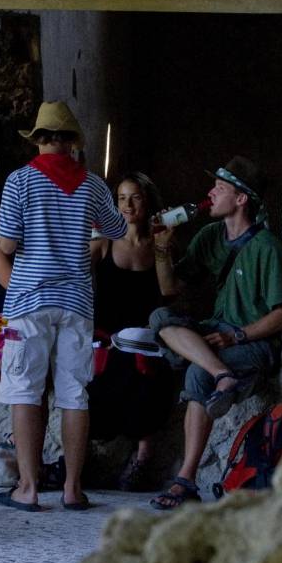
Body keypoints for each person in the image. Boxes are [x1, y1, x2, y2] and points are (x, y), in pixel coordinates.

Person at [0, 101, 127, 512]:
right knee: (74, 394)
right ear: (71, 144)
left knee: (25, 392)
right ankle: (72, 488)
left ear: (39, 141)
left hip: (29, 301)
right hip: (76, 303)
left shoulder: (20, 182)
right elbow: (117, 229)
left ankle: (29, 489)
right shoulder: (91, 185)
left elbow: (6, 245)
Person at [147, 157, 282, 511]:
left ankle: (184, 480)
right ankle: (222, 374)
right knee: (160, 317)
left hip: (252, 343)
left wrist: (238, 337)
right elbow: (170, 290)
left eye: (219, 187)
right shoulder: (210, 236)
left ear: (242, 198)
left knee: (196, 372)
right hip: (215, 336)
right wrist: (160, 248)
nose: (209, 193)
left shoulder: (267, 248)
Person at [86, 172, 179, 489]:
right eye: (122, 198)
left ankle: (142, 461)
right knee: (98, 378)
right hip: (107, 336)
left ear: (148, 201)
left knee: (150, 378)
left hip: (146, 339)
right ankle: (89, 457)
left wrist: (164, 248)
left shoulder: (161, 244)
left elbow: (169, 293)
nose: (128, 205)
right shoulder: (104, 242)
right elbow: (74, 270)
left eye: (135, 197)